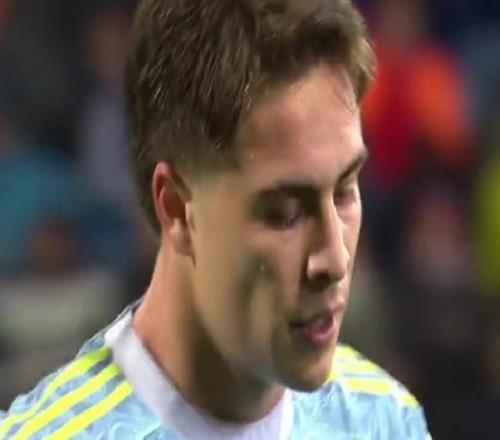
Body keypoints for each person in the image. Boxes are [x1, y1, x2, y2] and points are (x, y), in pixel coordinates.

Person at [0, 0, 431, 438]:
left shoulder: (388, 421)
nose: (335, 260)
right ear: (176, 209)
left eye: (344, 191)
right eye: (284, 214)